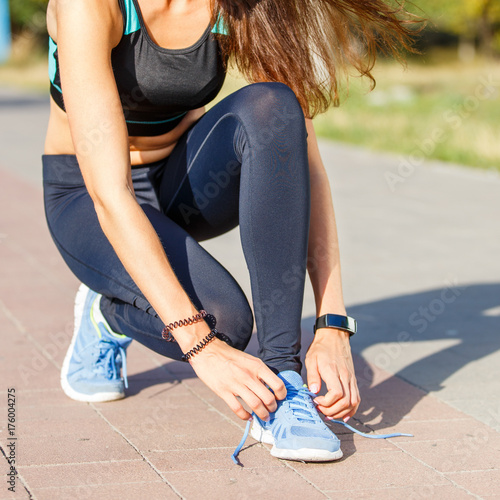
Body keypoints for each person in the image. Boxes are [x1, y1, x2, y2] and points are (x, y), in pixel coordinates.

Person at [43, 0, 418, 462]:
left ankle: (284, 380)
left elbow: (307, 165)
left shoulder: (242, 5)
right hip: (88, 195)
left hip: (179, 183)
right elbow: (110, 193)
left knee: (273, 106)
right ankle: (108, 314)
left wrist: (332, 324)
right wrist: (201, 347)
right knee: (222, 323)